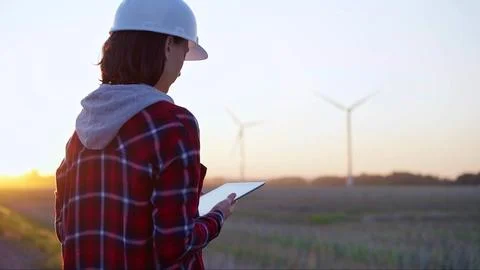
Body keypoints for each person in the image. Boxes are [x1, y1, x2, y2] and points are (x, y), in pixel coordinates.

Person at [54, 0, 236, 269]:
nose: (182, 67)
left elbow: (64, 229)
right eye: (183, 50)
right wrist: (216, 216)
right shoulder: (174, 125)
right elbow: (175, 244)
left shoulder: (80, 134)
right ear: (167, 46)